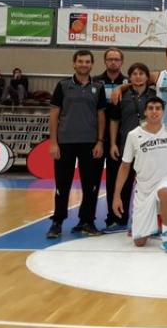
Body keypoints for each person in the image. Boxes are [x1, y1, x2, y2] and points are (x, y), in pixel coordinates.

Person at [114, 43, 167, 239]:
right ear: (166, 55)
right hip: (161, 131)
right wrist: (121, 87)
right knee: (157, 177)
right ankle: (159, 218)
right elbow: (138, 80)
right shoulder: (156, 76)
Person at [112, 97, 167, 253]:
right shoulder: (134, 135)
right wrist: (116, 195)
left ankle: (166, 236)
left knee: (165, 191)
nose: (154, 111)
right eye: (151, 108)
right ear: (145, 112)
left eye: (158, 108)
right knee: (139, 242)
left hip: (166, 181)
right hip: (144, 188)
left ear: (163, 112)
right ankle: (148, 225)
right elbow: (125, 166)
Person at [46, 50, 106, 239]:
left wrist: (100, 141)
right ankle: (57, 222)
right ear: (74, 63)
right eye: (80, 61)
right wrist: (53, 142)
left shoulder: (98, 86)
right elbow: (54, 115)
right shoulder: (63, 85)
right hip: (65, 143)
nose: (83, 64)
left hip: (90, 143)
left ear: (92, 64)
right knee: (62, 185)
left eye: (87, 61)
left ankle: (87, 221)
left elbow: (101, 115)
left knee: (91, 185)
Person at [108, 63, 156, 231]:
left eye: (141, 73)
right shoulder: (121, 95)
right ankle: (118, 219)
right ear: (129, 77)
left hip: (149, 147)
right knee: (124, 183)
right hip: (126, 145)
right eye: (134, 73)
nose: (138, 76)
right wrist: (113, 143)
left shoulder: (154, 95)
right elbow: (114, 120)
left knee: (147, 185)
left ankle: (147, 220)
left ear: (147, 77)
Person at [93, 47, 128, 232]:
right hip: (96, 137)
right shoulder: (95, 82)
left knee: (117, 180)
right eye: (110, 59)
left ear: (121, 62)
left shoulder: (128, 83)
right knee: (92, 179)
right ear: (105, 61)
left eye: (116, 59)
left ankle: (116, 218)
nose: (113, 62)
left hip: (119, 138)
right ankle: (87, 219)